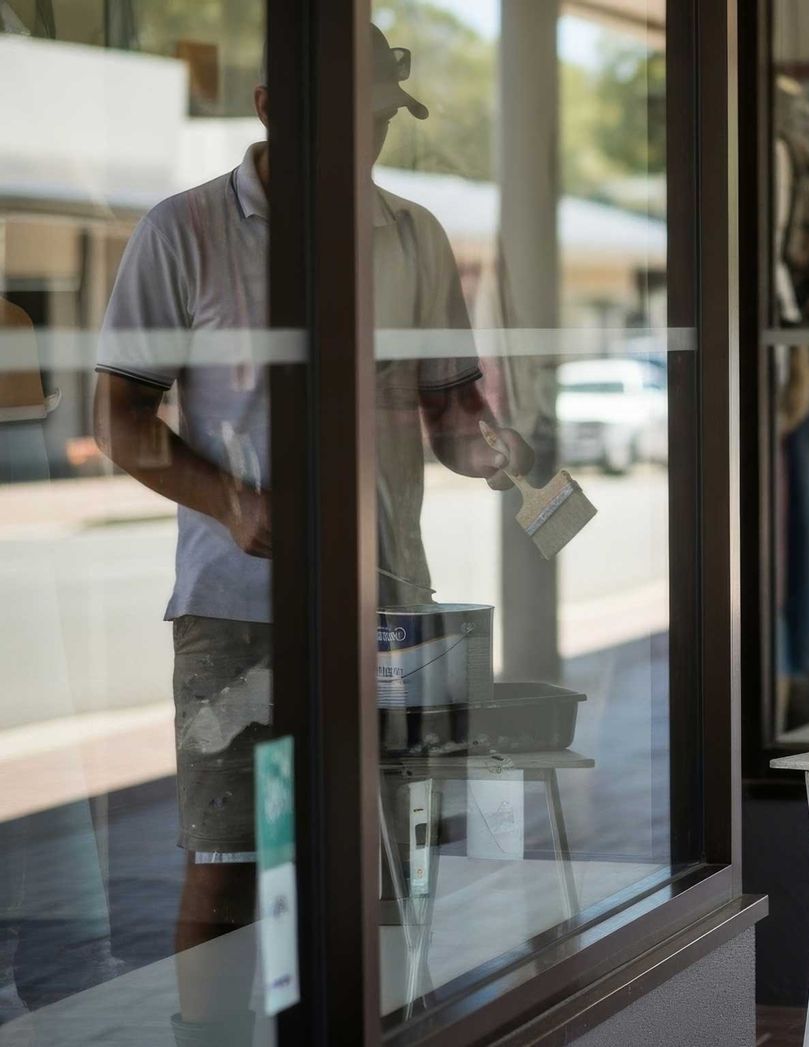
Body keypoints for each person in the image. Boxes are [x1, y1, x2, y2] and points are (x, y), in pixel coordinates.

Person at [93, 24, 530, 1045]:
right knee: (230, 868)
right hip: (236, 610)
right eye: (343, 119)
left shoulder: (414, 235)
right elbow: (118, 419)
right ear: (268, 107)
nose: (362, 141)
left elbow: (449, 411)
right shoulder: (185, 229)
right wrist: (233, 503)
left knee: (384, 860)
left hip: (391, 609)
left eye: (377, 121)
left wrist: (491, 447)